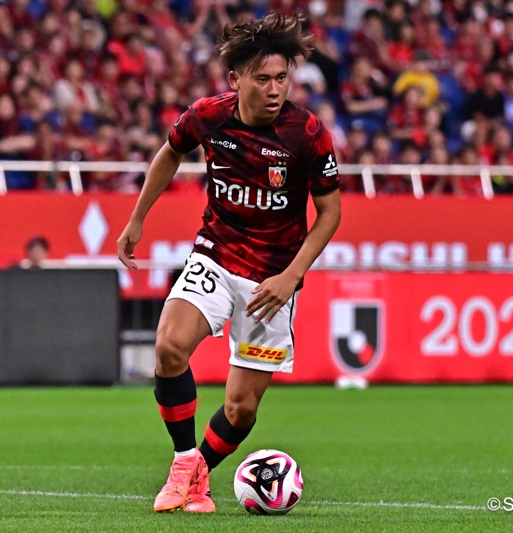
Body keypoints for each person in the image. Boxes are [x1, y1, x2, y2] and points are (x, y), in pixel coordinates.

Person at [116, 13, 341, 514]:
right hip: (216, 256)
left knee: (241, 408)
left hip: (272, 281)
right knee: (170, 347)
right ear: (235, 79)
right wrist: (137, 219)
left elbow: (330, 213)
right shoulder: (208, 115)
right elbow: (170, 153)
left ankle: (198, 477)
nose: (275, 89)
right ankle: (181, 462)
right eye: (262, 79)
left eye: (282, 78)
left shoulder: (306, 133)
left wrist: (291, 276)